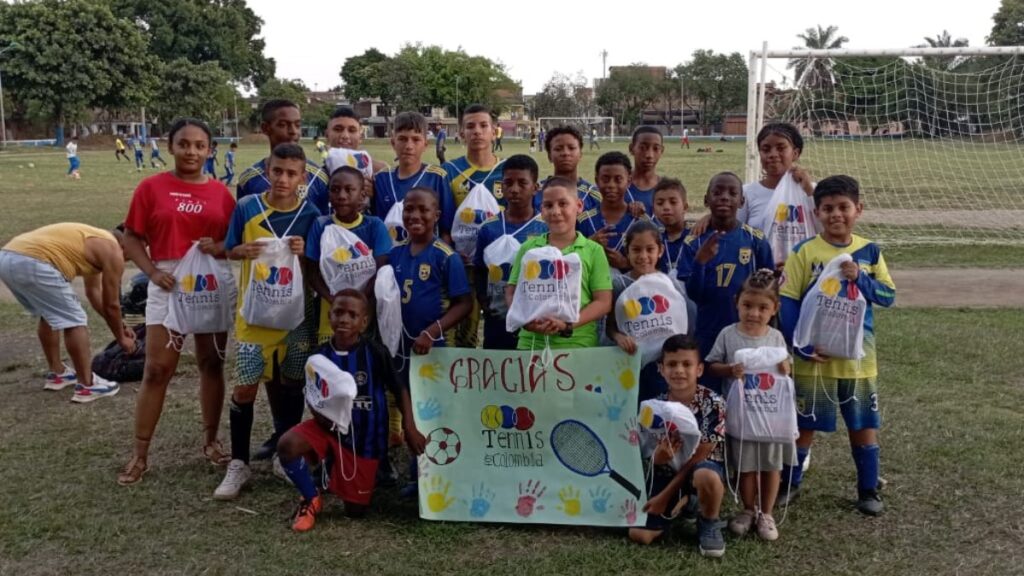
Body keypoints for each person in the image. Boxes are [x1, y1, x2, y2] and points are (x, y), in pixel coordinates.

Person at [118, 118, 237, 485]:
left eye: (200, 145)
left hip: (210, 283)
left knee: (211, 363)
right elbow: (131, 237)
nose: (191, 151)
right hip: (167, 283)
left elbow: (233, 243)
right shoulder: (151, 188)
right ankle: (140, 454)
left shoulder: (221, 193)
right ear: (170, 147)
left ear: (209, 150)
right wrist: (152, 272)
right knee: (156, 369)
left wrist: (218, 247)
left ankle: (211, 441)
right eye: (184, 144)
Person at [779, 175, 896, 516]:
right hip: (814, 360)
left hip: (858, 363)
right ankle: (791, 484)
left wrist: (861, 278)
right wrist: (797, 346)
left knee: (863, 426)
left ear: (858, 209)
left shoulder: (869, 252)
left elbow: (888, 296)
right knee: (804, 426)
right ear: (816, 212)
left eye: (844, 207)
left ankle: (868, 489)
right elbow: (787, 302)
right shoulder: (804, 252)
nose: (836, 215)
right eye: (828, 208)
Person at [213, 143, 322, 500]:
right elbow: (229, 248)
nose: (283, 179)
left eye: (292, 173)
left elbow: (318, 264)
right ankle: (239, 463)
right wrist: (238, 251)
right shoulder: (247, 207)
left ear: (303, 178)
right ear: (267, 171)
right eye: (277, 171)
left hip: (295, 318)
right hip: (254, 317)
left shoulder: (312, 214)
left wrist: (307, 253)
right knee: (245, 388)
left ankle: (283, 456)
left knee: (292, 384)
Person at [279, 290, 426, 532]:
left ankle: (343, 470)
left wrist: (409, 427)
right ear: (329, 316)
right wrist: (323, 419)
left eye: (352, 315)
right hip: (328, 430)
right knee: (287, 445)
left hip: (364, 441)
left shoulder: (375, 353)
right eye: (338, 313)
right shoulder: (319, 356)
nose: (344, 319)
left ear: (363, 322)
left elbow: (399, 389)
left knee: (355, 512)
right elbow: (313, 397)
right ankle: (311, 497)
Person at [385, 186, 473, 496]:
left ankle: (427, 475)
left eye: (423, 210)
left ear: (437, 215)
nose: (415, 215)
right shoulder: (394, 255)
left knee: (431, 410)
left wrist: (433, 331)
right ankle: (402, 469)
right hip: (400, 346)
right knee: (403, 399)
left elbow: (464, 303)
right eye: (409, 209)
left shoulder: (445, 257)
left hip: (433, 348)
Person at [0, 223, 133, 402]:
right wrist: (122, 338)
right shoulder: (113, 250)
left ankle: (58, 373)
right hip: (34, 260)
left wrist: (121, 326)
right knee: (75, 320)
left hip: (8, 256)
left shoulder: (97, 242)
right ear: (127, 242)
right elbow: (112, 304)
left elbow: (94, 294)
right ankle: (87, 385)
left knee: (49, 313)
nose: (133, 258)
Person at [706, 269, 791, 541]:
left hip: (771, 416)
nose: (754, 313)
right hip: (741, 415)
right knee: (745, 464)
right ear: (737, 303)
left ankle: (766, 513)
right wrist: (730, 369)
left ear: (774, 308)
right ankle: (747, 509)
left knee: (771, 464)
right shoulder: (728, 335)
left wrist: (786, 366)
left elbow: (786, 369)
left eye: (762, 307)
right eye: (747, 306)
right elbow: (712, 365)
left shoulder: (775, 337)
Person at [629, 335, 728, 559]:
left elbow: (699, 455)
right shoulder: (655, 406)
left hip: (702, 467)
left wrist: (665, 495)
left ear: (699, 369)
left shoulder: (713, 403)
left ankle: (708, 521)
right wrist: (658, 458)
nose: (679, 371)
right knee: (640, 535)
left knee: (705, 476)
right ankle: (685, 505)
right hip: (669, 472)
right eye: (672, 364)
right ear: (661, 369)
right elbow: (648, 453)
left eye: (687, 364)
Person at [682, 172, 773, 394]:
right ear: (706, 199)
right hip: (708, 329)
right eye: (717, 192)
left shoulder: (755, 240)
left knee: (744, 391)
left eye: (732, 193)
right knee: (707, 392)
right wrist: (701, 263)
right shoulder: (693, 242)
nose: (724, 197)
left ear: (741, 201)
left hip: (747, 330)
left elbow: (770, 290)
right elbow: (694, 294)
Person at [506, 177, 612, 350]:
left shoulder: (593, 251)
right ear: (541, 210)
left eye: (563, 204)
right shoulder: (528, 249)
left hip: (578, 344)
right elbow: (511, 291)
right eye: (548, 205)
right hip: (531, 343)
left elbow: (603, 302)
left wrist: (568, 325)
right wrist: (524, 320)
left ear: (578, 206)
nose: (555, 211)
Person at [605, 220, 697, 402]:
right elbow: (610, 326)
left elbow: (688, 321)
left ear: (660, 251)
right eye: (636, 250)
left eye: (650, 249)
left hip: (667, 366)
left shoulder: (672, 284)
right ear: (627, 251)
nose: (643, 256)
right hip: (633, 364)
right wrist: (619, 337)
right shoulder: (619, 285)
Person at [443, 104, 504, 348]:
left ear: (494, 132)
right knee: (465, 329)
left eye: (483, 126)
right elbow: (445, 224)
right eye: (470, 126)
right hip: (464, 266)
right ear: (461, 133)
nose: (477, 131)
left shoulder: (508, 170)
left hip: (499, 266)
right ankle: (461, 380)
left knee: (499, 324)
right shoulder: (450, 170)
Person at [308, 165, 392, 342]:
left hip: (364, 309)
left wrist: (360, 300)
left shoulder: (374, 226)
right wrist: (332, 299)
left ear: (362, 194)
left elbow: (380, 269)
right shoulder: (321, 226)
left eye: (349, 189)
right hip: (330, 308)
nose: (342, 196)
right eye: (335, 190)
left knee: (361, 360)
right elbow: (312, 271)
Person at [690, 123, 814, 242]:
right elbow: (732, 227)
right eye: (766, 149)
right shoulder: (747, 193)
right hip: (758, 263)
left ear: (795, 153)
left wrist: (809, 191)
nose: (773, 154)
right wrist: (711, 218)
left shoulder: (811, 190)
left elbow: (823, 226)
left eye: (781, 148)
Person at [474, 154, 547, 350]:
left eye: (522, 183)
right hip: (498, 318)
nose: (514, 189)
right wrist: (484, 302)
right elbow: (480, 269)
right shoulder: (489, 228)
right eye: (508, 183)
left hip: (534, 320)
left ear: (536, 187)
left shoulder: (545, 228)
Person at [371, 112, 454, 244]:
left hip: (425, 258)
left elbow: (446, 229)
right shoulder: (381, 178)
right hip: (388, 258)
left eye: (416, 140)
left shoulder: (437, 176)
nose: (409, 146)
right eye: (402, 139)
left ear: (425, 145)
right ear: (393, 143)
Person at [238, 99, 329, 214]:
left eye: (298, 125)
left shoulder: (318, 177)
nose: (293, 131)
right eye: (283, 125)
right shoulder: (248, 180)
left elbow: (325, 224)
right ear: (266, 128)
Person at [578, 152, 645, 272]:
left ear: (629, 181)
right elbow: (569, 257)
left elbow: (655, 261)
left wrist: (626, 263)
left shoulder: (640, 220)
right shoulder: (583, 219)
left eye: (618, 179)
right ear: (597, 181)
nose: (611, 185)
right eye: (605, 179)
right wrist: (589, 244)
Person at [536, 125, 601, 214]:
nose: (566, 153)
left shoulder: (594, 195)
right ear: (549, 156)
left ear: (580, 154)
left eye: (571, 148)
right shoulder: (536, 193)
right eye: (558, 149)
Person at [652, 178, 691, 283]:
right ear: (653, 210)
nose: (666, 207)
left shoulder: (696, 236)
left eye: (673, 202)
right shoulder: (655, 239)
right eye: (660, 203)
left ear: (685, 207)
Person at [626, 126, 665, 216]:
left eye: (656, 149)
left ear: (662, 151)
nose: (649, 155)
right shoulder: (618, 186)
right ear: (631, 148)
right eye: (643, 148)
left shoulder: (667, 188)